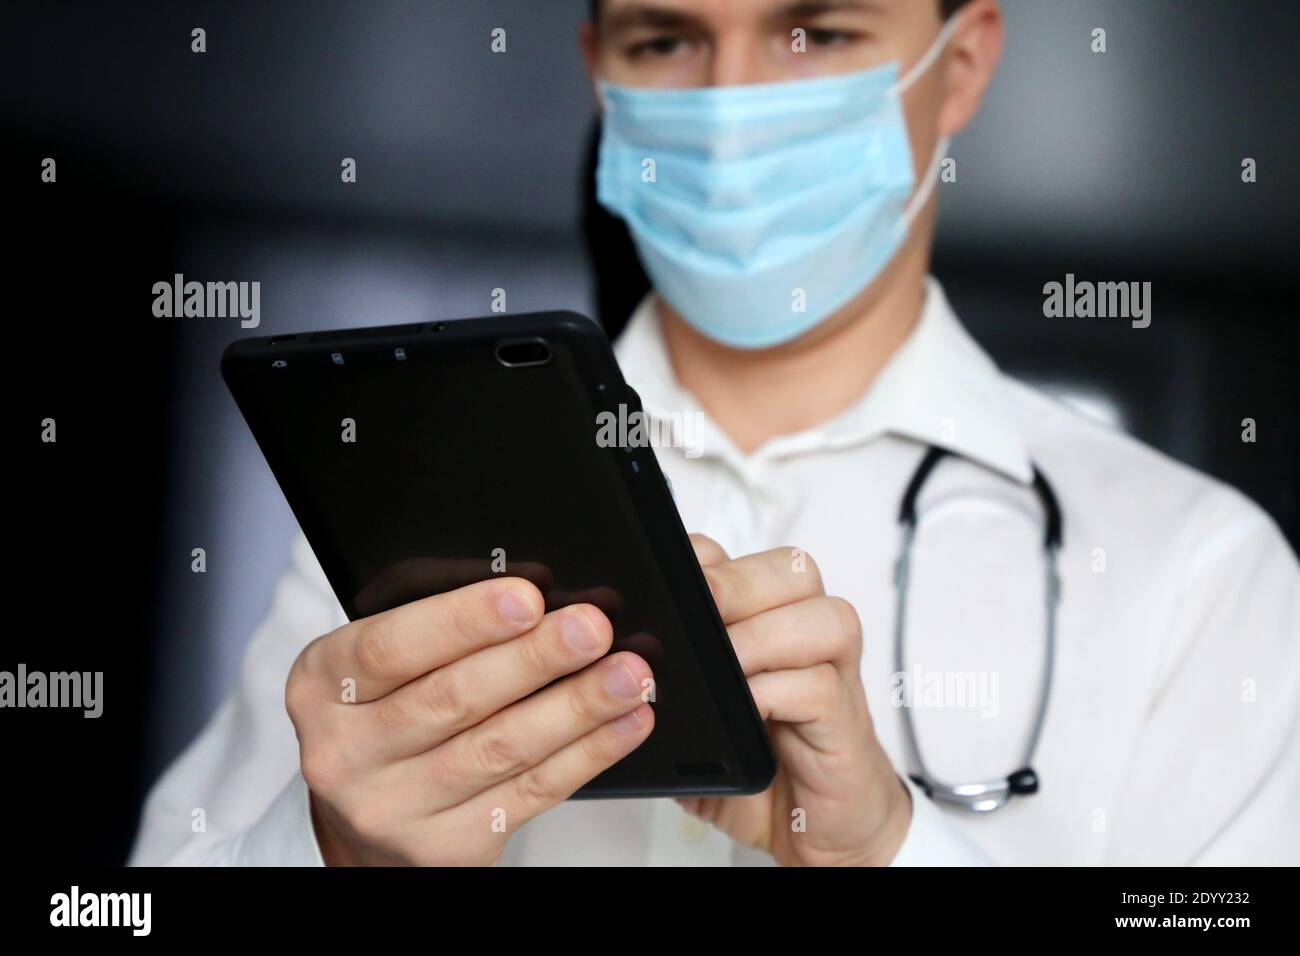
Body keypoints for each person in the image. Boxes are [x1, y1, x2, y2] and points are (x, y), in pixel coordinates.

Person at [130, 0, 1299, 866]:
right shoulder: (400, 525)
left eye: (817, 32)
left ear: (963, 65)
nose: (732, 101)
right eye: (664, 39)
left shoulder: (1198, 572)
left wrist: (887, 849)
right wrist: (332, 848)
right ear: (598, 70)